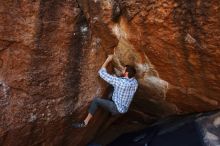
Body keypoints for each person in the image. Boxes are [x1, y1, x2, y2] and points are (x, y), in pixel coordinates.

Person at [72, 55, 138, 128]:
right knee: (112, 89)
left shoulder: (119, 82)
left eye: (123, 69)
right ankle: (110, 109)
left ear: (126, 73)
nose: (122, 70)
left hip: (116, 108)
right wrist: (116, 78)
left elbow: (101, 73)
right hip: (124, 108)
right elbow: (123, 81)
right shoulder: (135, 82)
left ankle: (84, 123)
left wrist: (108, 60)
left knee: (96, 101)